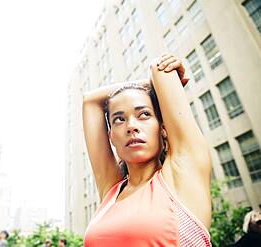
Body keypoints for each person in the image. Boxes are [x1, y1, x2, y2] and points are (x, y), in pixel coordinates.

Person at [82, 54, 212, 246]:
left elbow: (160, 70)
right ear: (111, 137)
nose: (131, 126)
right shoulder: (111, 191)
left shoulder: (183, 173)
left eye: (144, 114)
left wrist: (161, 85)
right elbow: (89, 101)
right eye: (119, 119)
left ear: (163, 128)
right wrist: (152, 88)